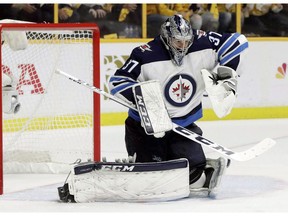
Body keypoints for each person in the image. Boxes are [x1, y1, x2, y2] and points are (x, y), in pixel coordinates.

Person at [109, 14, 248, 193]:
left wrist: (224, 79)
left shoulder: (203, 42)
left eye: (186, 41)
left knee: (197, 180)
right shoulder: (145, 53)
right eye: (177, 41)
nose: (183, 46)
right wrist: (150, 106)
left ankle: (204, 168)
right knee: (150, 180)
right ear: (167, 38)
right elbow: (118, 81)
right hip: (145, 129)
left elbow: (238, 42)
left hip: (183, 125)